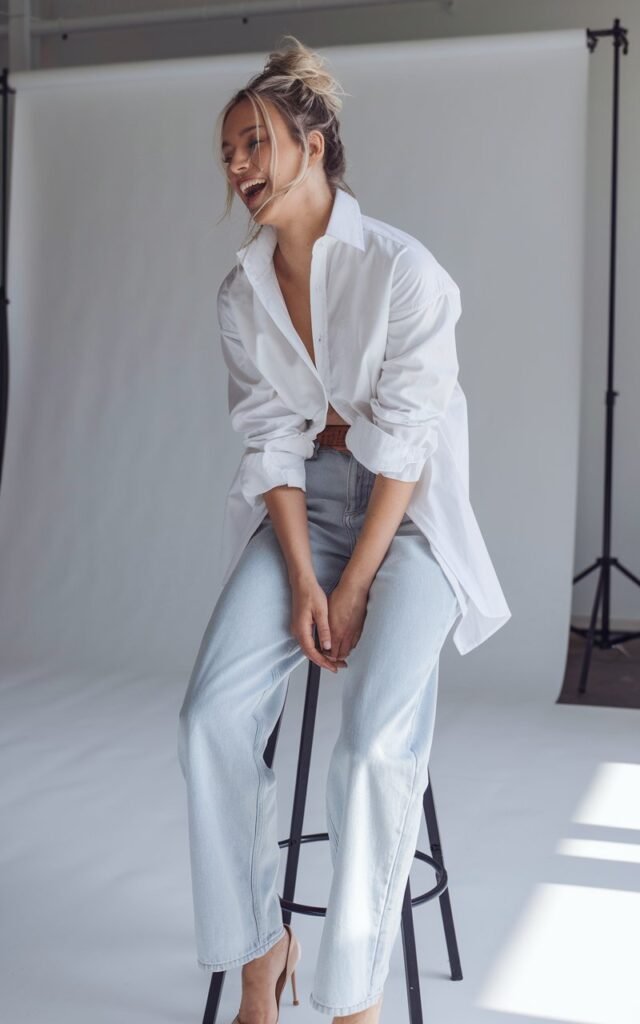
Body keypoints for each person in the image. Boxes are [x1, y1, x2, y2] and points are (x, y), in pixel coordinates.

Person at [178, 35, 511, 1024]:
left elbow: (405, 449)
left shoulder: (407, 274)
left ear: (314, 141)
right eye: (228, 152)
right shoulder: (240, 294)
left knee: (368, 750)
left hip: (406, 522)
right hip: (305, 512)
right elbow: (271, 443)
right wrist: (303, 575)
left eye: (255, 142)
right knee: (208, 717)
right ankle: (258, 951)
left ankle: (353, 996)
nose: (237, 166)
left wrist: (355, 584)